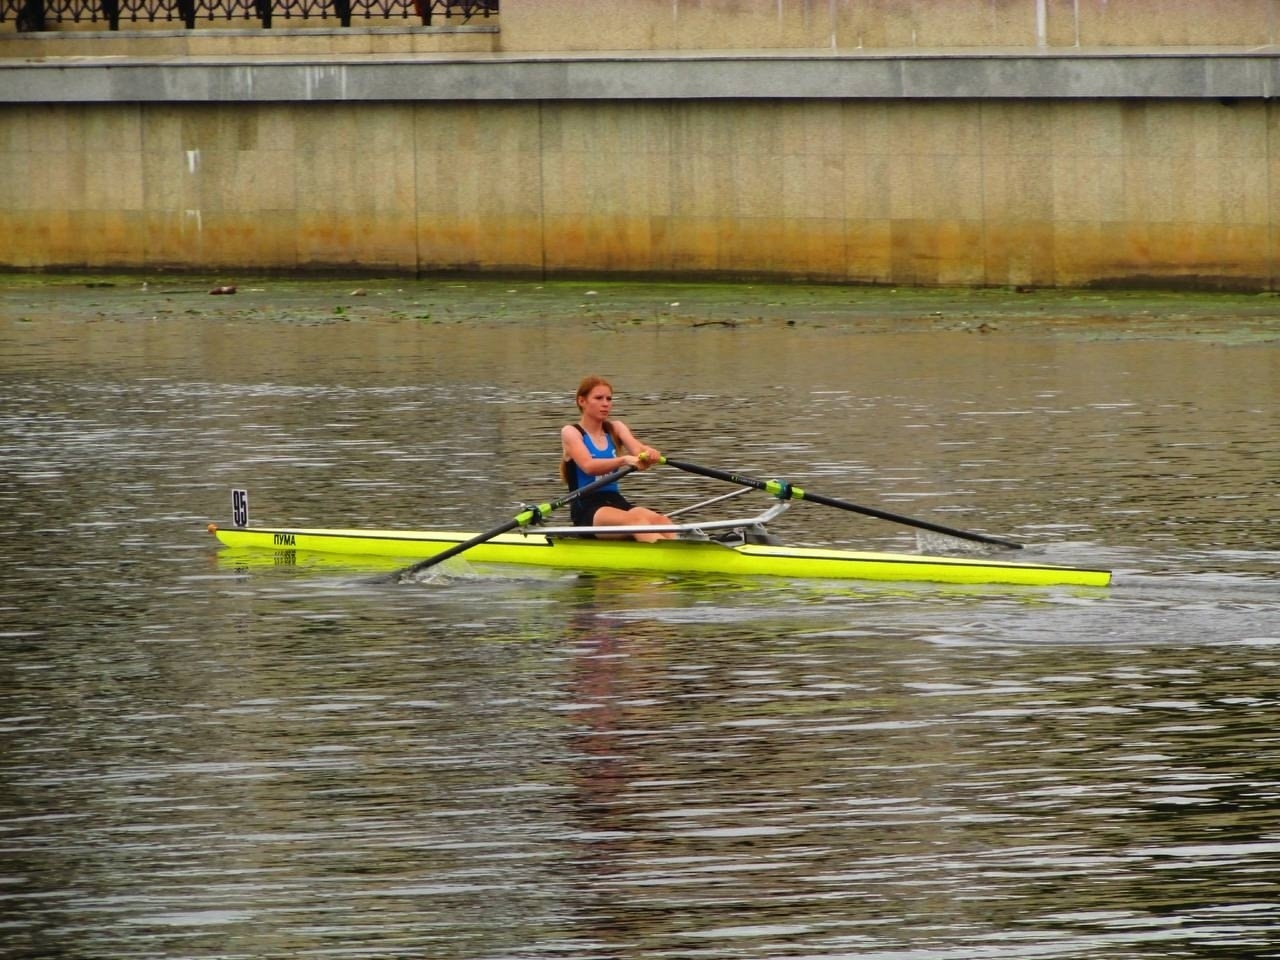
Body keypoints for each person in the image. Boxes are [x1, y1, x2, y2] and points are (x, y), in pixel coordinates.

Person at [560, 376, 676, 541]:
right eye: (599, 398)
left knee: (661, 520)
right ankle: (665, 552)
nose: (606, 403)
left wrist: (650, 453)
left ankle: (681, 548)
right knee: (637, 522)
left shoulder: (616, 428)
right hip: (587, 509)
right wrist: (623, 460)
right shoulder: (571, 432)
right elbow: (588, 466)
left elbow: (638, 450)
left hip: (616, 501)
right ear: (582, 401)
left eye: (609, 399)